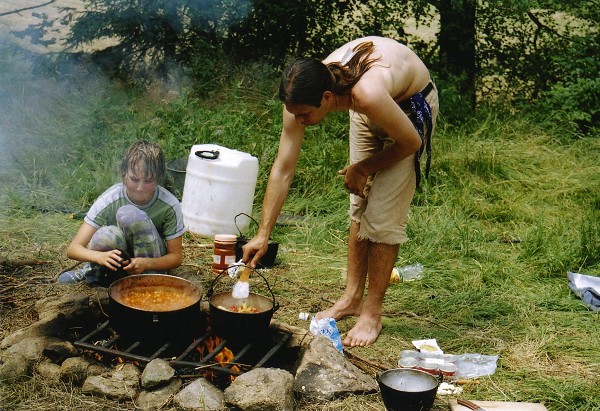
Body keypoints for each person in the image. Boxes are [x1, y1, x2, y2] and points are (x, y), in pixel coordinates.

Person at [242, 36, 439, 347]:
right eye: (295, 114)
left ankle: (371, 313)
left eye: (304, 114)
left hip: (408, 109)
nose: (299, 121)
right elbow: (283, 168)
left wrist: (363, 167)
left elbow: (410, 143)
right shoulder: (299, 99)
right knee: (359, 203)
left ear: (326, 97)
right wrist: (263, 233)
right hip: (369, 107)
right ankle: (351, 298)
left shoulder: (367, 93)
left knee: (383, 215)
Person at [59, 140, 186, 285]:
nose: (140, 187)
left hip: (151, 259)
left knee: (130, 214)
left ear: (158, 179)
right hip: (120, 258)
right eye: (134, 179)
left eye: (148, 181)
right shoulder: (110, 199)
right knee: (105, 234)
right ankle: (94, 274)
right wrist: (98, 257)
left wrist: (146, 263)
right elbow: (73, 249)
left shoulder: (169, 205)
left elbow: (176, 257)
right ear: (124, 174)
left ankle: (148, 280)